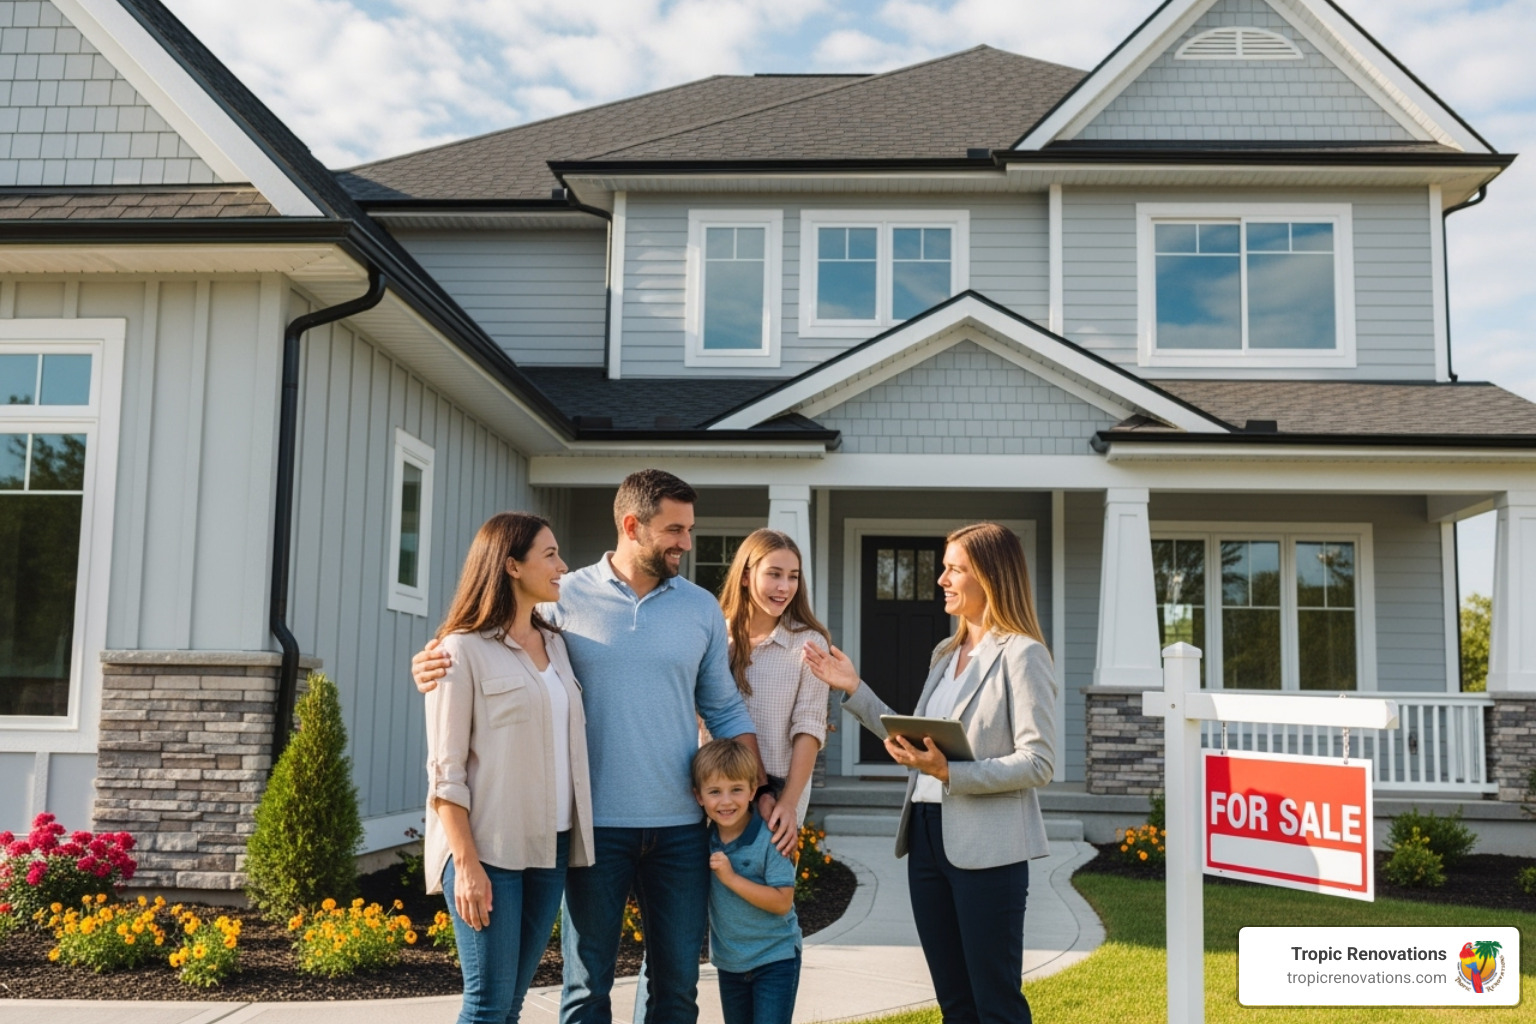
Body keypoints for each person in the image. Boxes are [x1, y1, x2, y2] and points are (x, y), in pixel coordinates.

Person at [413, 469, 781, 1024]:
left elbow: (725, 708)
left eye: (689, 528)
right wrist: (430, 661)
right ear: (633, 526)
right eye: (675, 530)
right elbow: (491, 637)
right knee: (587, 989)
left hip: (681, 828)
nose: (687, 542)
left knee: (678, 988)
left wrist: (762, 790)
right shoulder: (562, 597)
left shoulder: (701, 607)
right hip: (591, 829)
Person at [803, 522, 1057, 1024]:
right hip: (926, 837)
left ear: (989, 576)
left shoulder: (1022, 654)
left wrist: (951, 772)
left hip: (989, 851)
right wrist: (854, 689)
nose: (941, 578)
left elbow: (1039, 762)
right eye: (944, 567)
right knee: (954, 1002)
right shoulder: (945, 654)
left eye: (954, 569)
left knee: (996, 1003)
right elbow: (912, 738)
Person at [423, 512, 595, 1024]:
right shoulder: (460, 651)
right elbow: (445, 771)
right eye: (550, 555)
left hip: (552, 846)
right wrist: (467, 864)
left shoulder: (559, 644)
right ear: (511, 566)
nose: (563, 565)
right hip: (488, 850)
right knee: (487, 1005)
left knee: (512, 1004)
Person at [714, 529, 830, 836]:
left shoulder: (808, 643)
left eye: (793, 576)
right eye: (774, 574)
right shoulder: (714, 638)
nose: (784, 587)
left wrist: (789, 802)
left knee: (770, 885)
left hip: (779, 791)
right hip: (713, 790)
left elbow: (809, 727)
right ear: (745, 576)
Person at [693, 738, 802, 1024]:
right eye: (715, 792)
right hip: (730, 964)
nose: (726, 801)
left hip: (775, 959)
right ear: (699, 796)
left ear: (753, 790)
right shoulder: (705, 840)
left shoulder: (771, 837)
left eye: (736, 790)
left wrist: (730, 878)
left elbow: (782, 901)